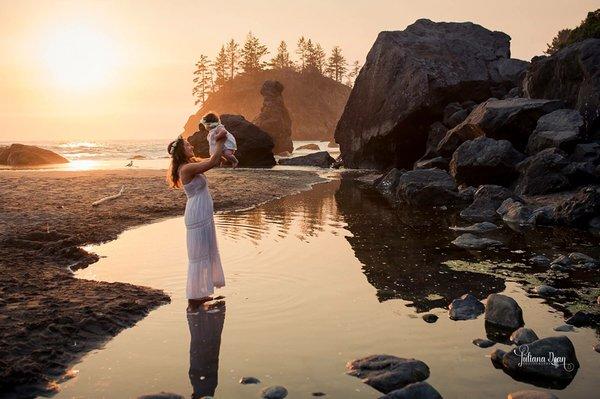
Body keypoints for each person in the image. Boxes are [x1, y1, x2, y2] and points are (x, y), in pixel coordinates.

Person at [167, 132, 227, 312]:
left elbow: (214, 160)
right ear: (180, 152)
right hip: (197, 213)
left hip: (203, 212)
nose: (191, 146)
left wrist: (225, 152)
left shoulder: (191, 164)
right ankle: (194, 299)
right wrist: (220, 141)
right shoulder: (185, 169)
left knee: (205, 251)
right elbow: (211, 162)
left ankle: (200, 293)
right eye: (187, 145)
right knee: (198, 255)